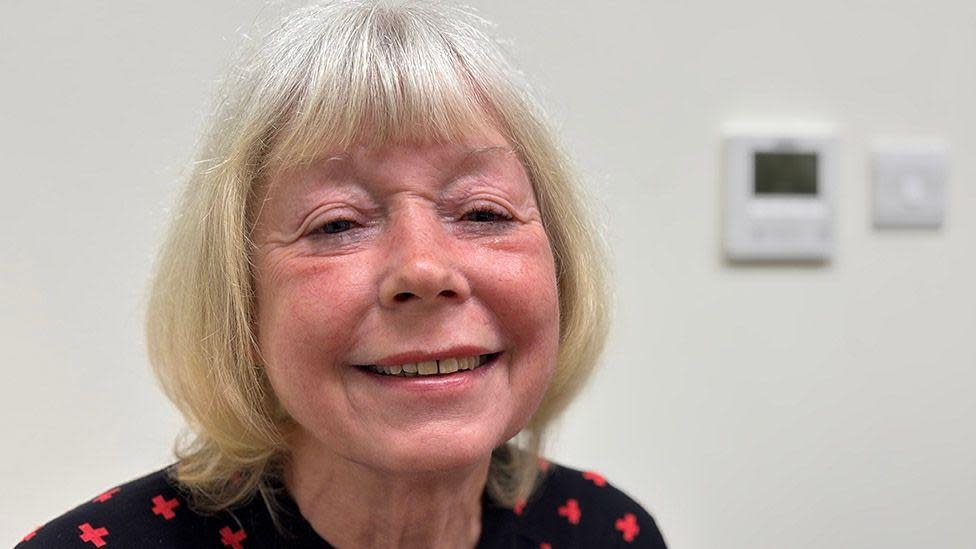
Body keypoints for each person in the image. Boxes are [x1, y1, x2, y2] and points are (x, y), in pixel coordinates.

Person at [16, 2, 667, 547]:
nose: (423, 268)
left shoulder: (609, 532)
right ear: (239, 300)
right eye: (336, 224)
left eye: (481, 211)